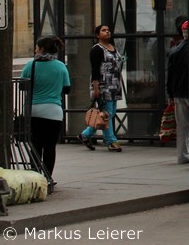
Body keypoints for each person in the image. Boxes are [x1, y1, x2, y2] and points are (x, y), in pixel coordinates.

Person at [20, 36, 70, 188]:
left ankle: (35, 177)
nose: (35, 49)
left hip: (33, 111)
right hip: (53, 112)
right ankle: (48, 178)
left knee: (35, 145)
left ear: (41, 49)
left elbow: (22, 86)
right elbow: (67, 89)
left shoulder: (31, 66)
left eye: (36, 47)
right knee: (49, 146)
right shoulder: (61, 66)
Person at [78, 24, 124, 152]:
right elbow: (95, 69)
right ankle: (111, 140)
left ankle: (85, 134)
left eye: (108, 30)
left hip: (114, 85)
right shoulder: (97, 49)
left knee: (109, 112)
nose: (107, 32)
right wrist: (96, 87)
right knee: (107, 114)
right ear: (97, 35)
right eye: (104, 30)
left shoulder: (113, 47)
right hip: (103, 86)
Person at [167, 18, 189, 164]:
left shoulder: (175, 50)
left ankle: (181, 156)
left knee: (181, 127)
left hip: (178, 93)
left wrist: (170, 93)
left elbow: (170, 75)